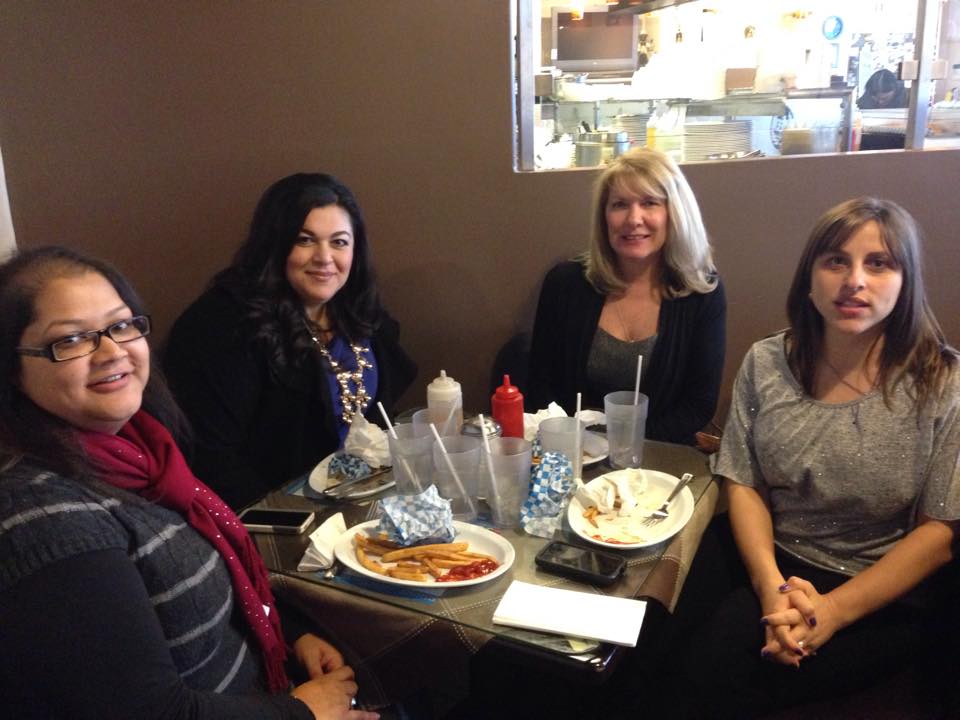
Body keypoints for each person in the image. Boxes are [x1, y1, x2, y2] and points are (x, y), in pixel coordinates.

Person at [0, 246, 379, 719]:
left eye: (122, 325)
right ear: (12, 369)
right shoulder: (43, 517)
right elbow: (149, 713)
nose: (113, 352)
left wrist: (289, 633)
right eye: (72, 340)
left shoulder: (142, 452)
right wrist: (303, 711)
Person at [651, 197, 959, 718]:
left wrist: (830, 611)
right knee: (647, 642)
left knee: (712, 672)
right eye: (836, 261)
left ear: (905, 281)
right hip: (768, 554)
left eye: (878, 263)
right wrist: (771, 588)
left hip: (877, 585)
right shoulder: (767, 361)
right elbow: (743, 482)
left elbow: (940, 533)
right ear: (809, 278)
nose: (854, 281)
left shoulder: (943, 382)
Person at [165, 173, 416, 509]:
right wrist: (295, 520)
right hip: (273, 515)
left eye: (339, 242)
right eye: (305, 240)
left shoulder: (357, 309)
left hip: (362, 498)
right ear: (274, 245)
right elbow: (212, 460)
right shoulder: (222, 325)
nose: (324, 257)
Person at [527, 147, 725, 445]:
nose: (634, 219)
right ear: (604, 217)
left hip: (658, 453)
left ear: (675, 213)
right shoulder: (565, 283)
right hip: (573, 451)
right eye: (620, 205)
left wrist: (623, 445)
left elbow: (697, 405)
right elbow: (539, 385)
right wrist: (581, 445)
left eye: (650, 203)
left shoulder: (702, 293)